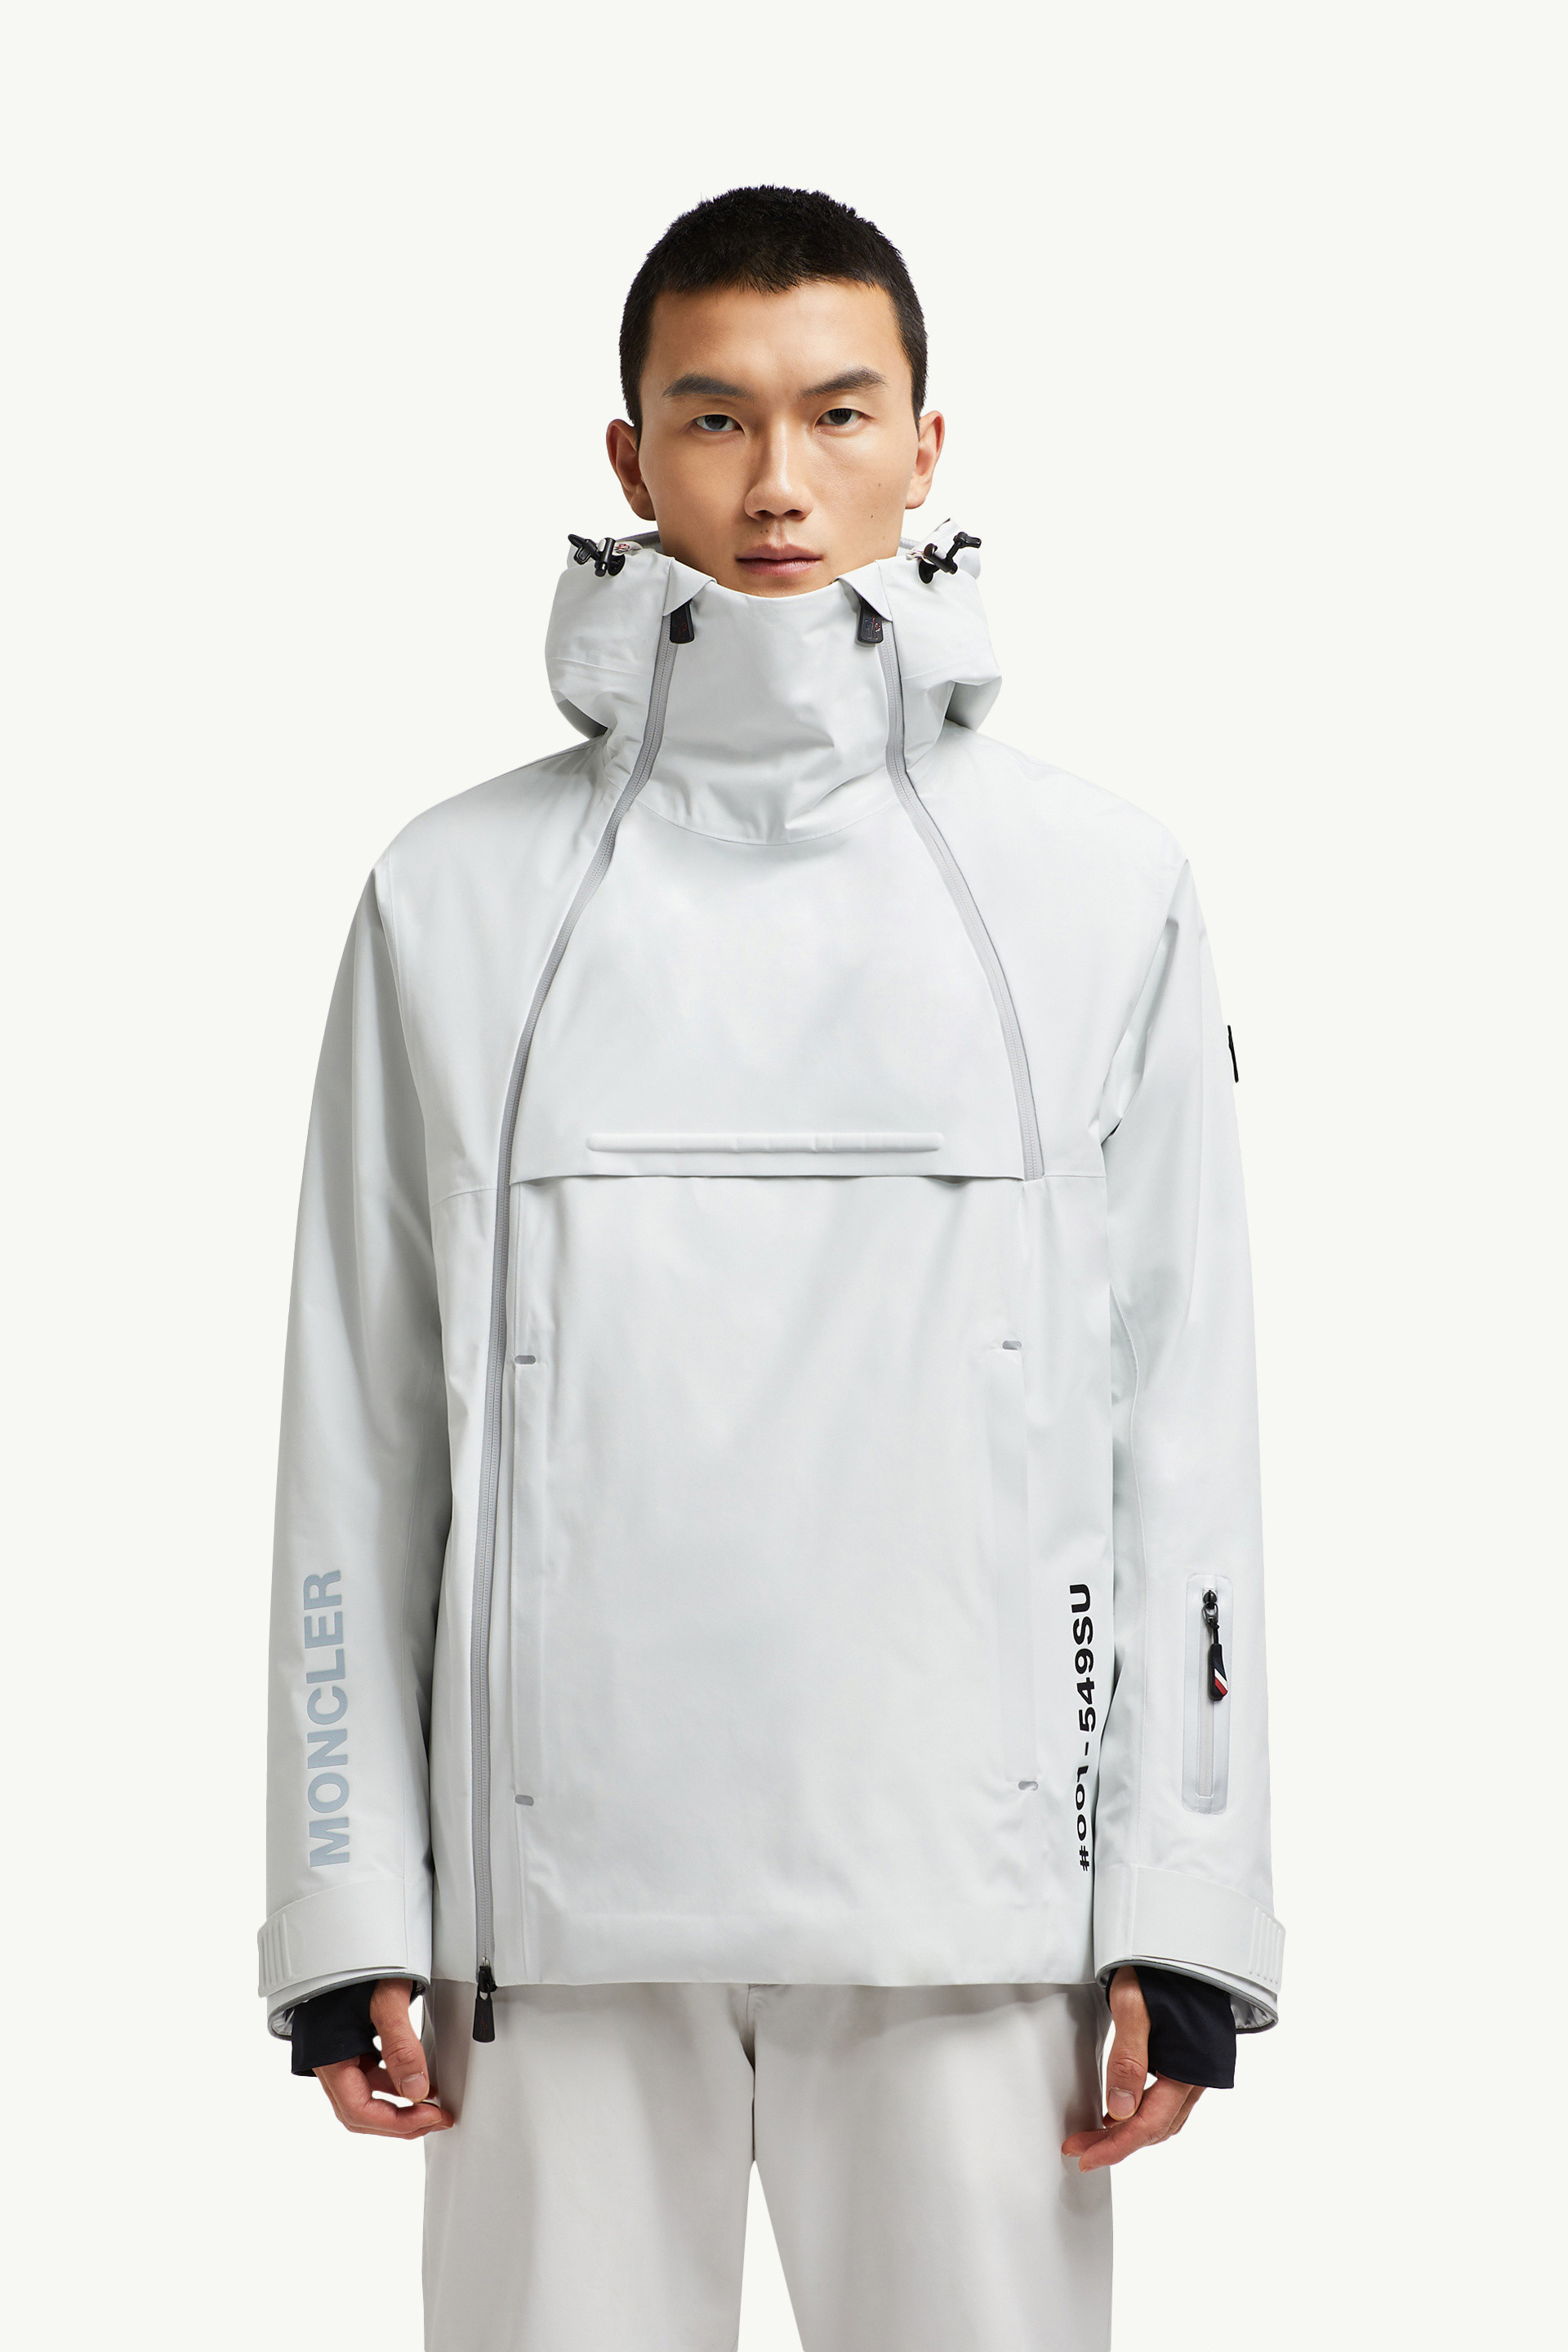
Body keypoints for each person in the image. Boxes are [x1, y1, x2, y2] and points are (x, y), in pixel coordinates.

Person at [261, 185, 1282, 2350]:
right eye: (716, 418)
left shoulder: (1099, 889)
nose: (780, 480)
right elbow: (359, 1423)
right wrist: (345, 1899)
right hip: (551, 1934)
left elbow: (1183, 1424)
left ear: (929, 444)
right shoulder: (453, 895)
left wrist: (1184, 1907)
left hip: (972, 1925)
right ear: (630, 458)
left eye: (838, 411)